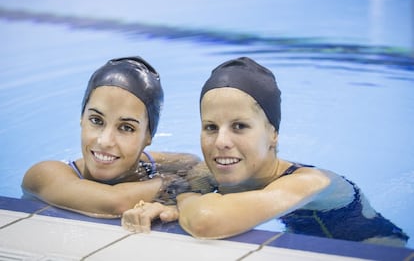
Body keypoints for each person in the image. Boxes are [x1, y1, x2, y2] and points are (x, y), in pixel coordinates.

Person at [121, 57, 409, 247]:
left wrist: (181, 200)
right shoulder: (215, 174)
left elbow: (206, 220)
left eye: (240, 126)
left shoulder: (310, 182)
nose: (221, 141)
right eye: (210, 127)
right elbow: (157, 162)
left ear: (273, 134)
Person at [22, 56, 200, 218]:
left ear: (147, 137)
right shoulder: (43, 175)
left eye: (126, 127)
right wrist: (173, 184)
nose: (104, 141)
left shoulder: (148, 166)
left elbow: (193, 162)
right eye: (96, 120)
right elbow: (115, 202)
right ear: (81, 119)